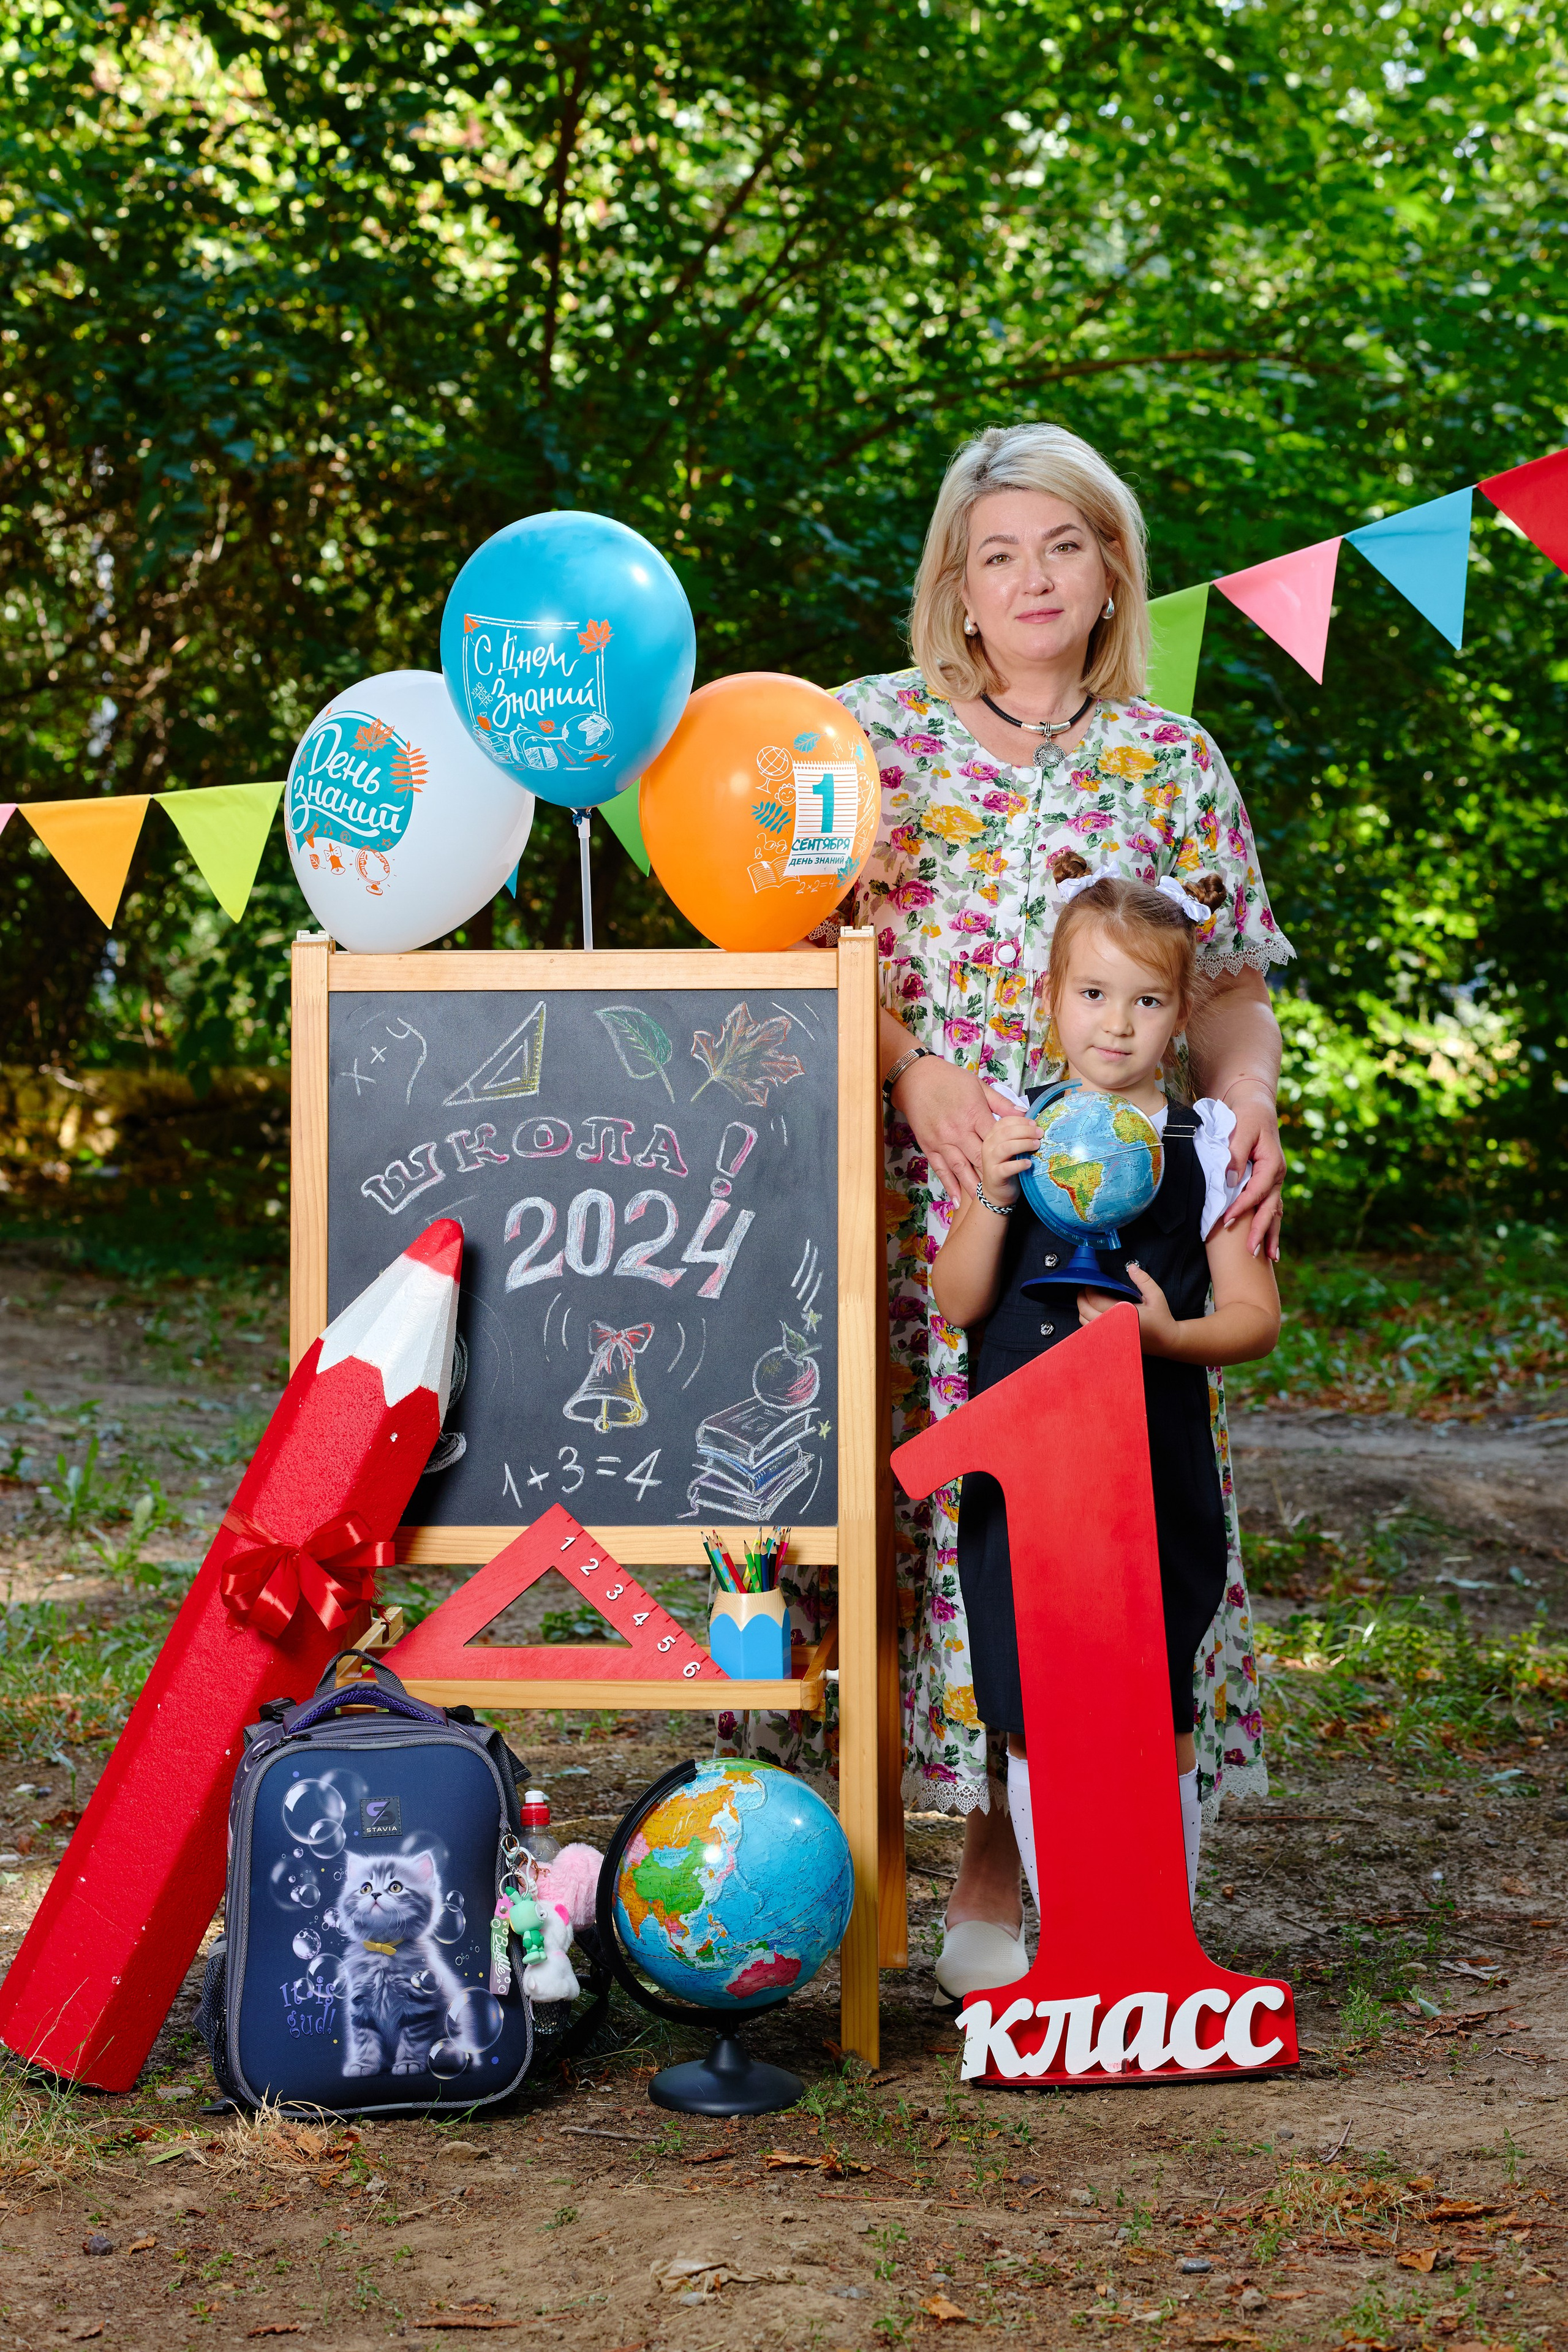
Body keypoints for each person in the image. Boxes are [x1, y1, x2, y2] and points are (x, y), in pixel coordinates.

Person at [760, 421, 1295, 2003]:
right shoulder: (863, 741)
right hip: (907, 1204)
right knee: (915, 1518)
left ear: (1112, 567)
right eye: (999, 553)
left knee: (1074, 1524)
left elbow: (1237, 982)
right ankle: (839, 1875)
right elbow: (789, 942)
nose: (1033, 578)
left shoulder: (1171, 761)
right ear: (957, 587)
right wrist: (915, 1072)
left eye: (1063, 545)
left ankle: (1017, 1849)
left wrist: (1249, 1100)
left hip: (1104, 1227)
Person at [930, 873, 1281, 1928]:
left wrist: (1170, 1333)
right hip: (1023, 1467)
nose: (1116, 1026)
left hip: (1147, 1454)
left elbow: (1254, 1315)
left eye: (1146, 1001)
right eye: (1092, 995)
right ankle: (1072, 1937)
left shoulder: (1205, 1145)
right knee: (1031, 1695)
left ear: (1181, 1015)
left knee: (1151, 1687)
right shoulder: (1016, 1131)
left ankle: (1150, 1935)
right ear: (1049, 1000)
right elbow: (957, 1302)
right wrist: (994, 1191)